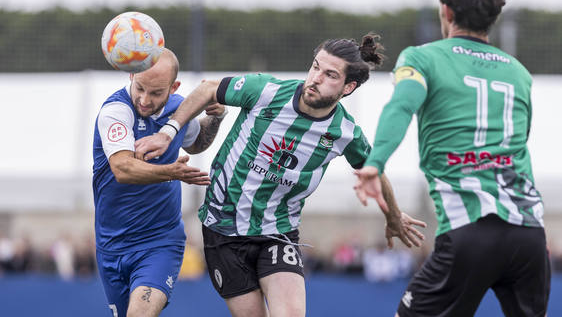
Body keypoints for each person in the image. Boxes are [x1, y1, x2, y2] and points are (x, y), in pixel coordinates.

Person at [135, 34, 427, 317]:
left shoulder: (345, 133)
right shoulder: (266, 91)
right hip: (221, 229)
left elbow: (375, 171)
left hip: (278, 232)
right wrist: (167, 132)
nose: (315, 78)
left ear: (348, 87)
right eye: (315, 67)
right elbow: (208, 89)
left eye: (330, 75)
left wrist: (393, 216)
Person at [354, 0, 550, 317]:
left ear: (446, 10)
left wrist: (375, 163)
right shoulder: (519, 74)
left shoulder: (423, 58)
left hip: (470, 230)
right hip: (530, 236)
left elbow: (401, 106)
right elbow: (518, 145)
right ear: (494, 16)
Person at [92, 48, 228, 317]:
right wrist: (171, 172)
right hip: (111, 244)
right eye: (140, 88)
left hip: (160, 241)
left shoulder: (179, 109)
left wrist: (216, 116)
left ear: (174, 86)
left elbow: (196, 142)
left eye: (155, 93)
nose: (144, 99)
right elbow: (123, 169)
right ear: (131, 75)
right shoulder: (116, 111)